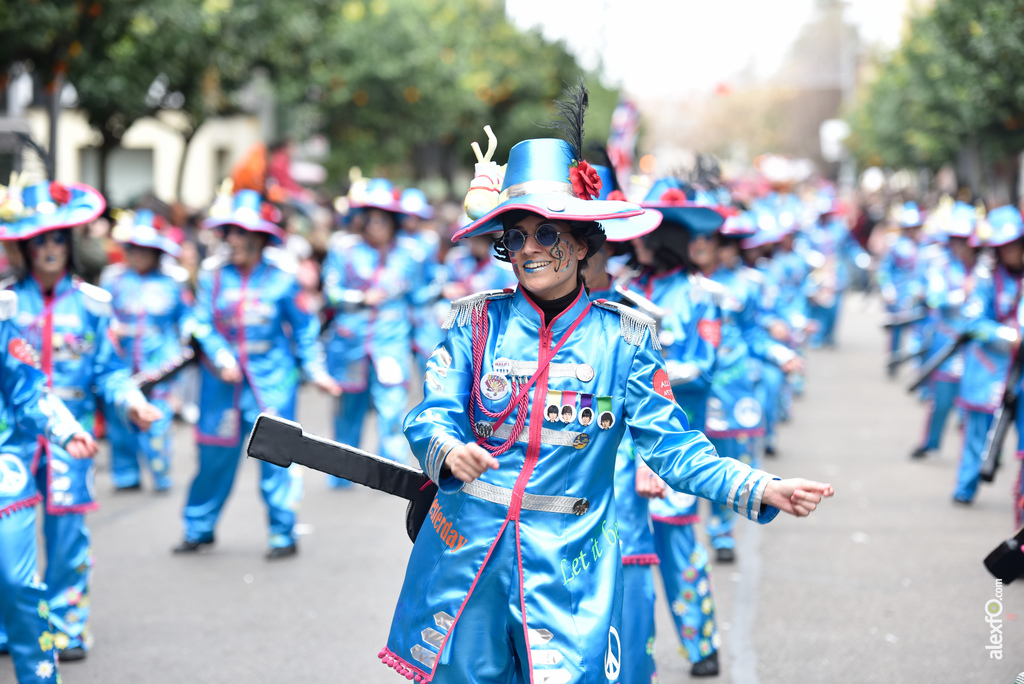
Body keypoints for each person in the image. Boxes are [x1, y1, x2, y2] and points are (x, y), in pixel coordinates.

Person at [381, 96, 832, 683]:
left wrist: (759, 486)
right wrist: (445, 446)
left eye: (547, 233)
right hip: (466, 568)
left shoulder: (625, 340)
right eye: (515, 238)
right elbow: (429, 413)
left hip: (567, 572)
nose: (531, 249)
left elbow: (674, 448)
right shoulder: (472, 323)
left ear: (583, 242)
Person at [0, 181, 163, 661]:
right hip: (14, 439)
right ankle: (15, 624)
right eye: (39, 240)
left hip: (73, 441)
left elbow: (108, 372)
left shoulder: (91, 305)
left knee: (68, 537)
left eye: (57, 239)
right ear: (24, 247)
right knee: (10, 538)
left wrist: (131, 401)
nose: (49, 248)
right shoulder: (6, 305)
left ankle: (67, 626)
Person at [175, 189, 339, 558]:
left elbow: (304, 328)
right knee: (213, 457)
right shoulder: (214, 276)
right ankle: (198, 528)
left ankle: (283, 532)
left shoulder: (284, 277)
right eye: (228, 232)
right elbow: (198, 321)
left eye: (241, 233)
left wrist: (316, 370)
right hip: (221, 386)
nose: (232, 240)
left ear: (261, 238)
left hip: (272, 382)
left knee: (276, 456)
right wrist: (219, 356)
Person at [0, 288, 98, 684]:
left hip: (6, 470)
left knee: (16, 580)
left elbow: (29, 392)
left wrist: (64, 427)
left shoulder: (2, 322)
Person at [322, 179, 423, 480]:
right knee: (348, 408)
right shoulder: (344, 250)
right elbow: (330, 293)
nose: (377, 223)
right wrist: (360, 298)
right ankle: (341, 470)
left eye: (384, 217)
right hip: (349, 342)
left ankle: (391, 471)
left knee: (392, 405)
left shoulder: (412, 253)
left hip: (391, 341)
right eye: (371, 216)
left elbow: (418, 296)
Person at [100, 210, 191, 491]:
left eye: (145, 250)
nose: (137, 254)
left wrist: (188, 342)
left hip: (159, 363)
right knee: (120, 416)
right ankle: (126, 475)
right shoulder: (113, 279)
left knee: (157, 416)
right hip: (121, 360)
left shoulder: (173, 281)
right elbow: (102, 317)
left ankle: (161, 472)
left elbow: (186, 317)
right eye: (132, 248)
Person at [954, 205, 1023, 505]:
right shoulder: (986, 277)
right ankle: (965, 489)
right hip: (989, 369)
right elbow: (972, 323)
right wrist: (1008, 336)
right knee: (977, 437)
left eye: (1015, 243)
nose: (1010, 251)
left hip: (1021, 374)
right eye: (1003, 246)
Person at [910, 202, 977, 460]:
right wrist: (963, 295)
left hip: (980, 345)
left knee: (980, 403)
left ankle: (983, 452)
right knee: (942, 399)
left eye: (965, 239)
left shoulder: (989, 267)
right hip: (948, 338)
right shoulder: (939, 263)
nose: (960, 245)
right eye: (955, 239)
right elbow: (935, 298)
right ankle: (930, 442)